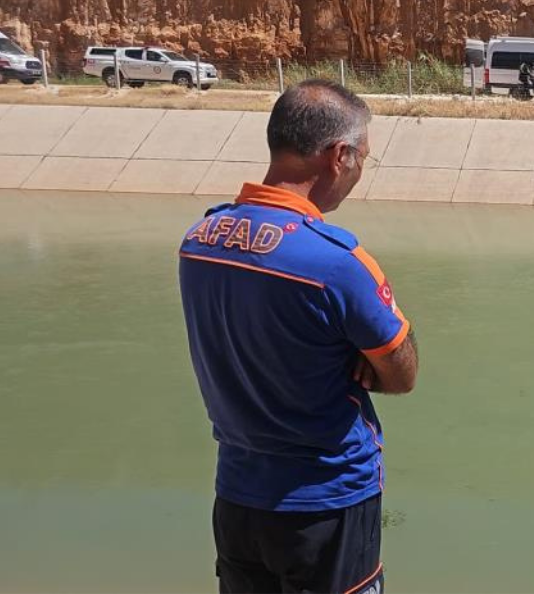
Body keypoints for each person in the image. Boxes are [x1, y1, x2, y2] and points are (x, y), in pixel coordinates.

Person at [179, 80, 419, 594]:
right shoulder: (336, 262)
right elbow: (401, 373)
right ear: (338, 155)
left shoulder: (199, 241)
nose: (358, 175)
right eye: (363, 160)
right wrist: (364, 357)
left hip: (238, 495)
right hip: (327, 501)